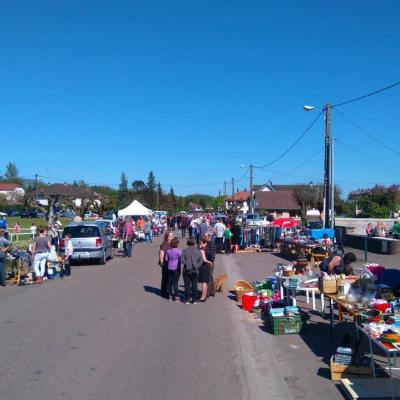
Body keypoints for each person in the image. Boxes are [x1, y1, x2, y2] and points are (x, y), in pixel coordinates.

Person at [181, 238, 203, 304]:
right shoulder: (198, 251)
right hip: (195, 270)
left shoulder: (184, 251)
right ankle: (194, 300)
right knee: (194, 285)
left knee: (187, 285)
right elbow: (201, 260)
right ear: (194, 243)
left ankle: (187, 299)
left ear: (187, 243)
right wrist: (197, 266)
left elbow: (181, 260)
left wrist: (187, 263)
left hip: (186, 269)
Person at [165, 238, 182, 302]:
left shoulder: (168, 251)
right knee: (175, 283)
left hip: (169, 267)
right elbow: (181, 259)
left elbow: (166, 259)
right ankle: (176, 296)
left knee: (169, 282)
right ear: (177, 244)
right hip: (176, 268)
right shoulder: (179, 251)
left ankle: (170, 296)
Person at [198, 237, 213, 302]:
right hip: (207, 267)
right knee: (206, 282)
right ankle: (205, 295)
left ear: (205, 243)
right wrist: (210, 262)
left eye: (201, 244)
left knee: (204, 282)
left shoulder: (201, 250)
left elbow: (204, 260)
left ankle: (203, 297)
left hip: (203, 266)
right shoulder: (208, 249)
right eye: (199, 244)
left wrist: (209, 262)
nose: (200, 245)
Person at [159, 231, 173, 298]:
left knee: (167, 277)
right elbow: (161, 253)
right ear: (167, 237)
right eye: (170, 236)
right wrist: (162, 263)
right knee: (165, 277)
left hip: (169, 263)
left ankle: (164, 290)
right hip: (165, 263)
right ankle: (163, 291)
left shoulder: (170, 243)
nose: (172, 237)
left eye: (172, 236)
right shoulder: (166, 244)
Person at [204, 233, 217, 297]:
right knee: (210, 277)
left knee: (208, 277)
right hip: (208, 262)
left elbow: (212, 254)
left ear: (208, 237)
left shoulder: (211, 244)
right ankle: (212, 291)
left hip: (209, 262)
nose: (204, 237)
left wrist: (210, 261)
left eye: (205, 236)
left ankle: (207, 293)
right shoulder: (208, 243)